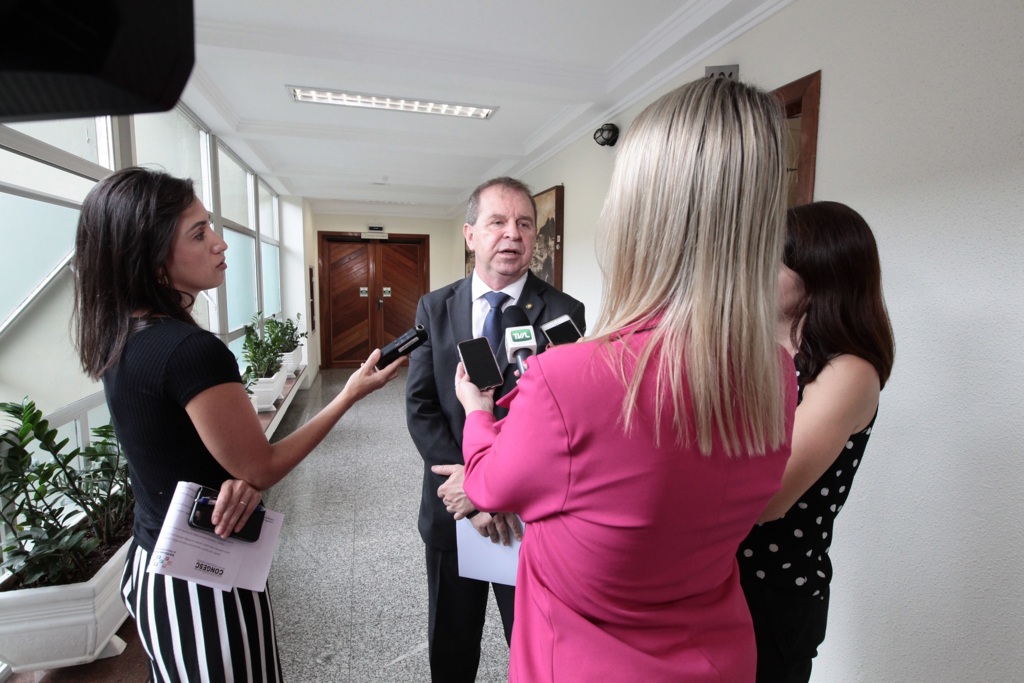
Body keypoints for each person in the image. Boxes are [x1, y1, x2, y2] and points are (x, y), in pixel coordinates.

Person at [448, 77, 796, 682]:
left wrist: (478, 413)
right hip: (720, 659)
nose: (513, 235)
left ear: (636, 216)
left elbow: (489, 485)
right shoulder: (776, 373)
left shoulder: (570, 376)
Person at [72, 166, 402, 682]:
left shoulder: (122, 337)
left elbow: (170, 453)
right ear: (152, 257)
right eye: (199, 234)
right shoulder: (189, 351)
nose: (221, 244)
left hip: (151, 563)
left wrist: (232, 480)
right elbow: (263, 464)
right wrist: (349, 394)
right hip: (200, 578)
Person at [406, 176, 586, 682]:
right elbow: (423, 407)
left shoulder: (564, 314)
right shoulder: (435, 308)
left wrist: (501, 487)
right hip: (454, 506)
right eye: (498, 222)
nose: (513, 234)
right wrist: (473, 484)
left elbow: (565, 419)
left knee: (532, 650)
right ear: (470, 234)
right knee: (451, 648)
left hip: (526, 516)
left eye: (524, 224)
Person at [736, 201, 895, 683]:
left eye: (770, 258)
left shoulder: (849, 372)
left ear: (819, 272)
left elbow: (768, 496)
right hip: (718, 575)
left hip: (774, 591)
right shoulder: (755, 350)